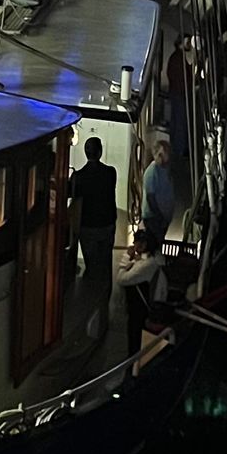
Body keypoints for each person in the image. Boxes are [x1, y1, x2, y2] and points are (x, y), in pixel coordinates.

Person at [68, 136, 120, 342]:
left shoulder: (78, 177)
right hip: (106, 225)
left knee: (91, 266)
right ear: (100, 152)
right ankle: (105, 305)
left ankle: (91, 309)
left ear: (86, 153)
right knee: (105, 263)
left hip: (88, 227)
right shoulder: (110, 173)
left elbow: (71, 194)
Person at [113, 228, 168, 356]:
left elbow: (121, 279)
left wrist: (126, 258)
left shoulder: (147, 265)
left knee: (135, 336)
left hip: (139, 309)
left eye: (136, 242)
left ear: (144, 245)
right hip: (144, 307)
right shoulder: (154, 259)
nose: (134, 244)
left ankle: (133, 362)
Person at [139, 136, 176, 244]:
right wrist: (160, 218)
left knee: (159, 244)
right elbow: (151, 198)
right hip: (153, 219)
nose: (169, 155)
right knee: (154, 245)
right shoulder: (152, 172)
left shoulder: (165, 170)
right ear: (159, 154)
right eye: (166, 152)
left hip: (161, 219)